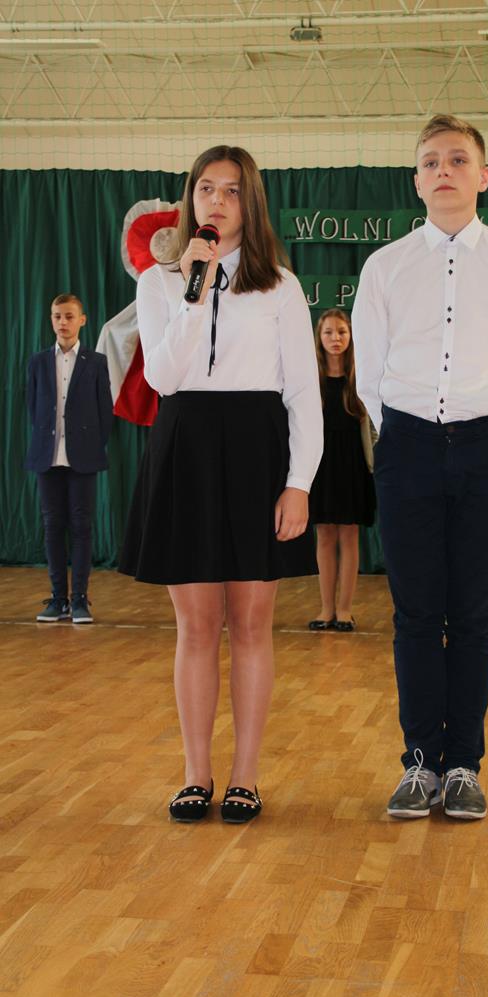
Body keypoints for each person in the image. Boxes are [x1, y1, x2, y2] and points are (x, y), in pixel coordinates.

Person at [352, 114, 488, 820]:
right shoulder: (383, 267)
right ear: (416, 180)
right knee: (414, 614)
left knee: (473, 615)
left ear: (482, 176)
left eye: (458, 159)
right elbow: (369, 373)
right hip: (406, 446)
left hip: (487, 445)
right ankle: (419, 764)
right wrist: (404, 437)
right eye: (431, 160)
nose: (444, 170)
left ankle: (463, 763)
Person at [118, 146, 323, 824]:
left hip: (258, 451)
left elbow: (302, 393)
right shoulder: (159, 283)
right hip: (186, 448)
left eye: (232, 191)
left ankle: (245, 778)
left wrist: (298, 483)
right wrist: (193, 292)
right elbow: (162, 378)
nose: (216, 201)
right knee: (197, 625)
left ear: (250, 203)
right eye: (206, 188)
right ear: (190, 199)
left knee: (253, 624)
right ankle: (195, 775)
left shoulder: (281, 285)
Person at [26, 293, 113, 625]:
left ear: (82, 320)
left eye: (69, 316)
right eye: (57, 316)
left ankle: (79, 600)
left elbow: (104, 411)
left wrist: (89, 445)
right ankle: (58, 599)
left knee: (80, 525)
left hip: (82, 457)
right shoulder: (37, 362)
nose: (62, 322)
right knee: (52, 525)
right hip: (47, 456)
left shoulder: (96, 362)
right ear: (51, 319)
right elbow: (34, 409)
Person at [307, 308, 376, 633]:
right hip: (321, 465)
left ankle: (345, 610)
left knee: (349, 534)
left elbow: (373, 428)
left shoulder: (362, 379)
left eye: (342, 332)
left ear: (351, 336)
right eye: (329, 332)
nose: (336, 338)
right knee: (324, 534)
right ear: (319, 338)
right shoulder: (311, 381)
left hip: (352, 464)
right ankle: (326, 609)